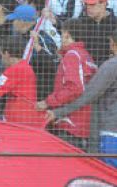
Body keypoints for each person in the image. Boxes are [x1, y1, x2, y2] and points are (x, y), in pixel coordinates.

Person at [47, 28, 117, 168]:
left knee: (108, 174)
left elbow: (88, 95)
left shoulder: (111, 65)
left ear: (114, 44)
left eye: (110, 43)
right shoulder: (87, 57)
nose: (109, 47)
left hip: (111, 132)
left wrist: (58, 112)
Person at [38, 19, 97, 147]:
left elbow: (74, 88)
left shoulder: (72, 55)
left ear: (66, 34)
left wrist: (48, 102)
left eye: (61, 33)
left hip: (71, 125)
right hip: (83, 125)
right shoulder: (86, 56)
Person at [77, 0, 117, 65]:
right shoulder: (81, 22)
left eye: (92, 4)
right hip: (85, 68)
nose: (88, 7)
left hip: (107, 69)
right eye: (87, 4)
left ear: (104, 4)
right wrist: (56, 23)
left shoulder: (115, 23)